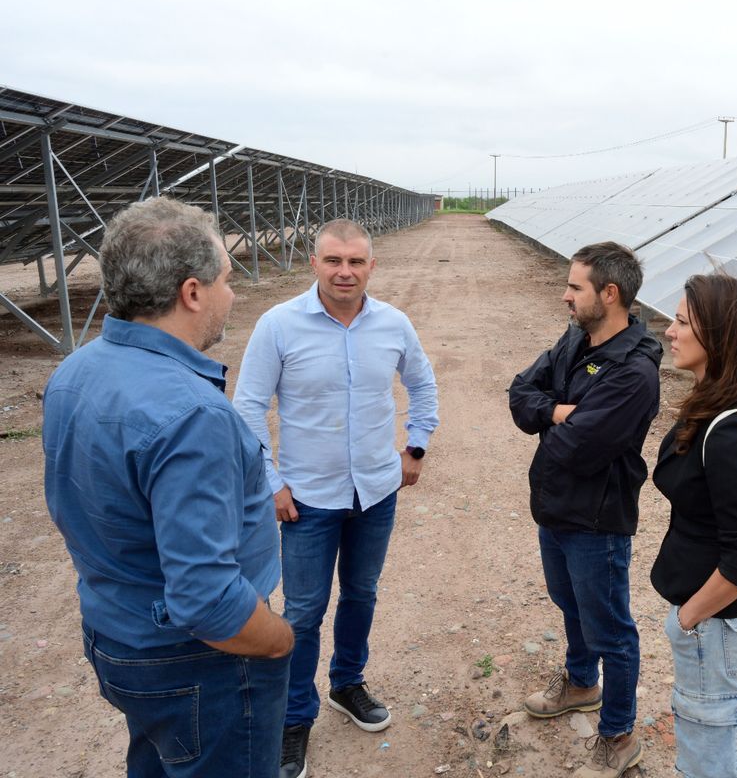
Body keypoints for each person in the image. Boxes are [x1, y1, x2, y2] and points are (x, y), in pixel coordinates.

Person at [42, 197, 294, 778]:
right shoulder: (190, 414)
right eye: (227, 281)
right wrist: (278, 640)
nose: (232, 295)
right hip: (198, 664)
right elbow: (205, 599)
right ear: (192, 292)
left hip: (118, 637)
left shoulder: (75, 372)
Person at [233, 218, 439, 778]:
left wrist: (415, 447)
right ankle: (294, 714)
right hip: (308, 500)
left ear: (372, 266)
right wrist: (270, 481)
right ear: (313, 263)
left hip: (375, 490)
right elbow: (248, 405)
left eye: (355, 262)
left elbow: (422, 385)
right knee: (302, 611)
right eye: (333, 261)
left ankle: (347, 684)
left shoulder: (393, 324)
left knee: (362, 593)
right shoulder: (279, 325)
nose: (344, 271)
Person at [508, 242, 662, 778]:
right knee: (569, 603)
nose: (565, 295)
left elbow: (577, 449)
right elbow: (520, 391)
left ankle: (618, 731)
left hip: (597, 521)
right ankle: (579, 683)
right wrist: (556, 410)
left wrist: (549, 422)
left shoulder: (633, 372)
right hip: (555, 508)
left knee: (611, 629)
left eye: (575, 287)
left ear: (609, 294)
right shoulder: (577, 336)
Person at [651, 273, 737, 778]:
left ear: (718, 337)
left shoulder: (733, 432)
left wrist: (688, 621)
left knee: (709, 748)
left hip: (717, 622)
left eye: (682, 321)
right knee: (727, 732)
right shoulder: (718, 409)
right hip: (715, 620)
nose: (669, 330)